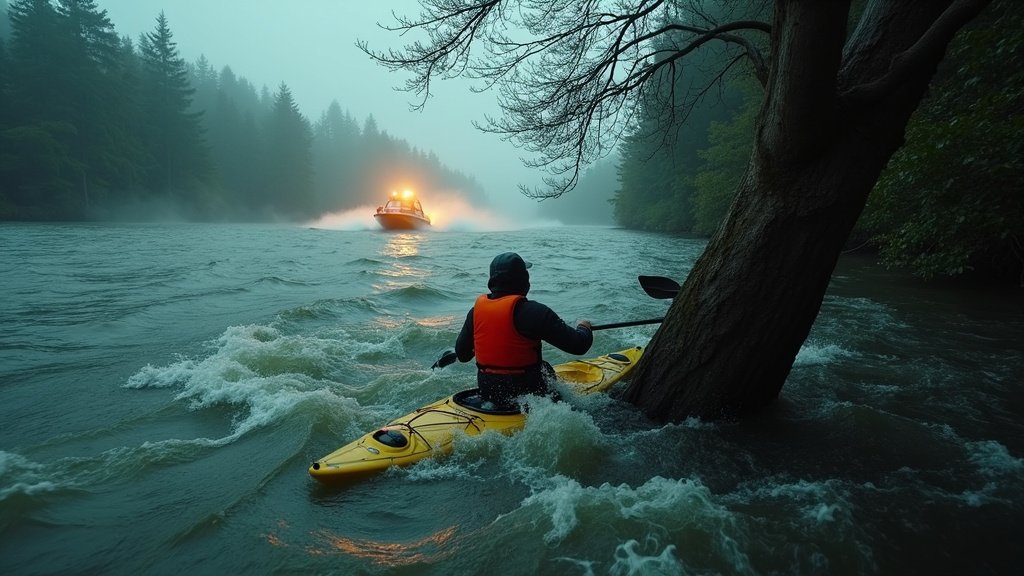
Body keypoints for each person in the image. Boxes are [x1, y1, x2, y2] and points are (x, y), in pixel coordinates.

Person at [448, 252, 593, 407]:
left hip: (490, 394)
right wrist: (584, 327)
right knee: (546, 369)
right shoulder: (536, 312)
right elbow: (579, 345)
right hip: (530, 397)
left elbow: (462, 355)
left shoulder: (475, 312)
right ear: (523, 280)